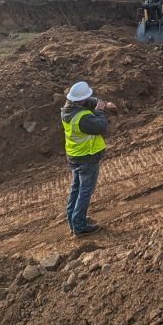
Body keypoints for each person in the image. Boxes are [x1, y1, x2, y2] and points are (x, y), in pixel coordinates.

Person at [61, 80, 114, 236]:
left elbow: (88, 101)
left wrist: (100, 103)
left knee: (76, 189)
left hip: (75, 156)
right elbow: (101, 127)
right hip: (87, 157)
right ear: (81, 100)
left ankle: (74, 220)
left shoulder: (68, 109)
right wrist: (99, 111)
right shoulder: (82, 117)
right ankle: (79, 225)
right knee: (85, 191)